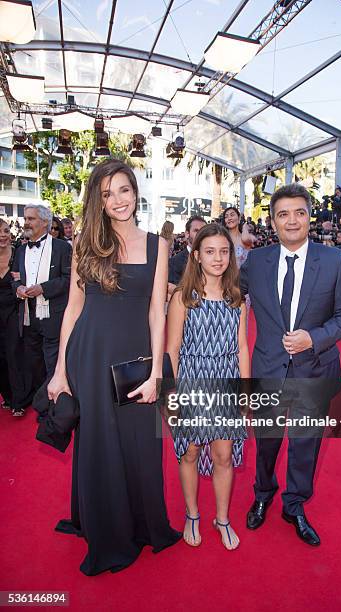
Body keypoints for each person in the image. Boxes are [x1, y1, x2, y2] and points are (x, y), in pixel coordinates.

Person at [47, 159, 181, 576]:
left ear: (135, 191)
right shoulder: (87, 241)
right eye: (107, 194)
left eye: (124, 189)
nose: (118, 200)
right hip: (88, 354)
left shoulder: (159, 244)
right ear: (98, 201)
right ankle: (106, 530)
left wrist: (158, 371)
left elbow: (157, 310)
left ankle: (142, 524)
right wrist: (59, 371)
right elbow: (72, 309)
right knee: (100, 443)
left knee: (141, 443)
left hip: (136, 358)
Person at [240, 183, 341, 546]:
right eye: (282, 214)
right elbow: (225, 292)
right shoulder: (257, 262)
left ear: (309, 217)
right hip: (268, 368)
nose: (291, 221)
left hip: (316, 367)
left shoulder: (335, 260)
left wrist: (315, 337)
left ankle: (294, 505)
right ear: (272, 222)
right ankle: (263, 495)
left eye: (299, 212)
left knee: (305, 444)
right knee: (267, 441)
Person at [167, 224, 249, 551]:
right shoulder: (183, 297)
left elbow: (242, 347)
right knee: (189, 451)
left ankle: (223, 518)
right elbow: (171, 349)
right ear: (197, 255)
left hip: (226, 381)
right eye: (210, 251)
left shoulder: (236, 299)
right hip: (191, 379)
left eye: (224, 251)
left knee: (224, 454)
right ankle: (192, 514)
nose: (218, 258)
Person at [11, 205, 72, 402]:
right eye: (25, 218)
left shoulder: (62, 248)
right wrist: (18, 288)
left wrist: (43, 288)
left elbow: (68, 279)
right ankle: (41, 401)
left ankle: (54, 405)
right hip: (28, 317)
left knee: (52, 362)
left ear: (45, 222)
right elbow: (15, 278)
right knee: (34, 362)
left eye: (31, 219)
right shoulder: (20, 250)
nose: (26, 222)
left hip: (53, 316)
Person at [0, 219, 30, 416]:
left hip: (14, 310)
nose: (2, 235)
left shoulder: (19, 253)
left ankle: (19, 400)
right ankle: (8, 397)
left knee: (13, 353)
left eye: (5, 230)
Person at [168, 215, 206, 296]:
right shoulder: (174, 263)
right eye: (196, 231)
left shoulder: (214, 260)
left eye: (203, 231)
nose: (200, 234)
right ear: (187, 234)